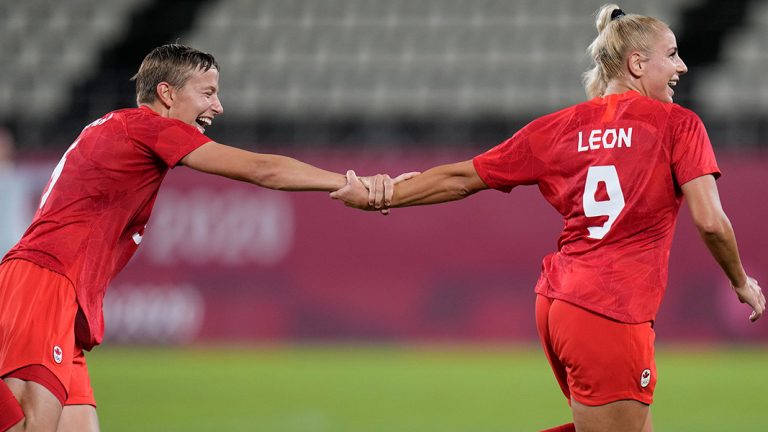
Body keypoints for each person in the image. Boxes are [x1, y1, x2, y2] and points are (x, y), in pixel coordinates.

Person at [333, 4, 765, 432]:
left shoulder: (561, 127)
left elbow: (463, 177)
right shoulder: (679, 125)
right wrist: (740, 281)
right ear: (637, 63)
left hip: (559, 305)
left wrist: (384, 192)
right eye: (671, 54)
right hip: (610, 312)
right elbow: (709, 221)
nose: (683, 66)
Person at [0, 44, 410, 432]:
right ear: (167, 93)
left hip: (65, 297)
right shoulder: (147, 126)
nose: (218, 106)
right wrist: (349, 184)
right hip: (44, 283)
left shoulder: (118, 127)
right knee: (30, 424)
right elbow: (260, 168)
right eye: (208, 93)